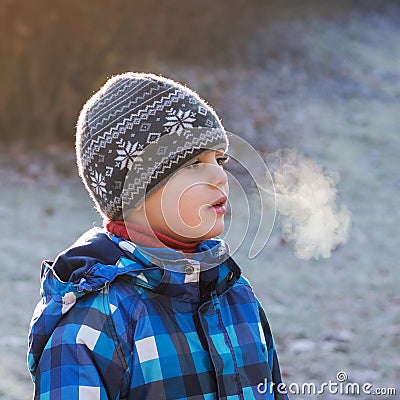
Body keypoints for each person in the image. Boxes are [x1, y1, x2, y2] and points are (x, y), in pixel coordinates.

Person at [27, 72, 288, 399]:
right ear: (135, 191)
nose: (221, 176)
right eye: (194, 163)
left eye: (218, 159)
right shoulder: (94, 324)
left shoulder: (236, 296)